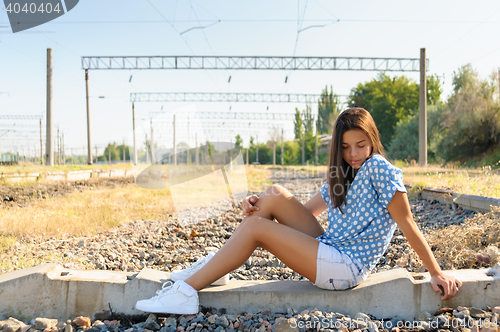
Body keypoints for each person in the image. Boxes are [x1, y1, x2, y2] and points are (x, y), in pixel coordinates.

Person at [135, 107, 462, 315]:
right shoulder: (342, 173)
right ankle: (217, 268)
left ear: (372, 140)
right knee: (274, 194)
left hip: (345, 269)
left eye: (361, 144)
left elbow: (406, 222)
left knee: (254, 230)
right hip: (331, 251)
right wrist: (260, 206)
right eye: (346, 147)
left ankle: (187, 292)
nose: (354, 154)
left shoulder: (378, 168)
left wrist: (435, 271)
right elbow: (301, 214)